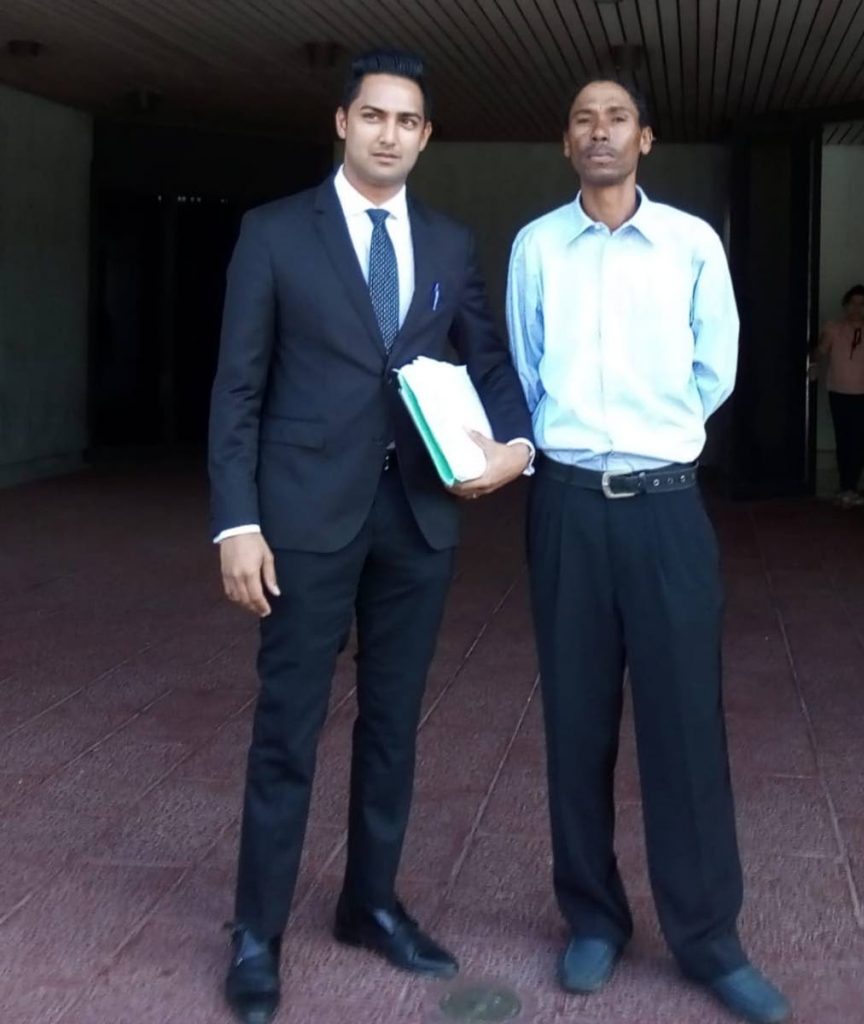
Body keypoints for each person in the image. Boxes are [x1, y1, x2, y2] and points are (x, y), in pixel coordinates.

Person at [209, 49, 533, 1024]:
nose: (391, 132)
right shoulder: (273, 236)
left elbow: (491, 361)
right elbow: (238, 390)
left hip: (416, 522)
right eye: (375, 116)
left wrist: (514, 444)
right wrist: (237, 521)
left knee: (393, 727)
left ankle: (370, 902)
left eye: (409, 120)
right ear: (342, 123)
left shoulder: (445, 241)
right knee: (288, 730)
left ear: (425, 137)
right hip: (303, 521)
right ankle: (257, 931)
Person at [506, 78, 790, 1024]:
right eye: (583, 118)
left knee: (685, 729)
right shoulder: (536, 247)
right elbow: (526, 360)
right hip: (568, 508)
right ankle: (593, 917)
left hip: (667, 509)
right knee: (576, 723)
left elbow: (717, 369)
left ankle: (709, 938)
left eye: (616, 118)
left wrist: (654, 440)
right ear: (566, 142)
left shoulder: (692, 247)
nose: (600, 132)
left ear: (646, 139)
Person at [811, 285, 864, 506]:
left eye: (862, 304)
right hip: (838, 391)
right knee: (843, 439)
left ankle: (851, 486)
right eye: (852, 303)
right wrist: (814, 362)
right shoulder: (834, 328)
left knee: (858, 441)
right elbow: (820, 351)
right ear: (845, 305)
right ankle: (845, 486)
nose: (856, 308)